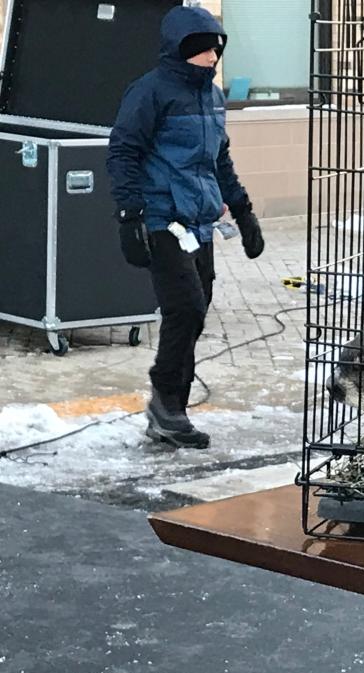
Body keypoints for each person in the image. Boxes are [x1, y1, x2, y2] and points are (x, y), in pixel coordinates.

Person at [107, 6, 265, 449]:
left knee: (195, 315)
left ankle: (172, 407)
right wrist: (129, 215)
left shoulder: (212, 96)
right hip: (162, 219)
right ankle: (165, 405)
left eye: (215, 47)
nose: (211, 56)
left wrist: (243, 210)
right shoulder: (151, 92)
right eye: (201, 49)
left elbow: (219, 160)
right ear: (180, 50)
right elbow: (123, 153)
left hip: (200, 223)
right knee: (186, 309)